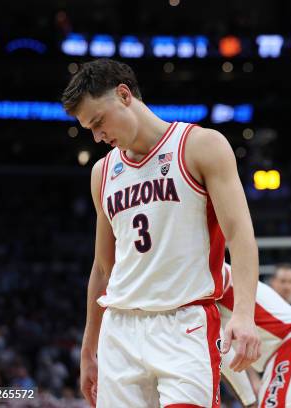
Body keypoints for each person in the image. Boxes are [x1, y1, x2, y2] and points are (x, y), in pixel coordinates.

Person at [61, 58, 261, 407]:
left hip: (184, 323)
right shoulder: (102, 173)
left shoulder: (200, 145)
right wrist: (88, 347)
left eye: (98, 122)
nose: (97, 136)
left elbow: (240, 236)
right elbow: (102, 267)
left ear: (124, 95)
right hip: (119, 330)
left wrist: (244, 314)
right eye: (89, 130)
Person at [219, 263, 291, 407]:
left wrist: (248, 399)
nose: (287, 287)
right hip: (290, 348)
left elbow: (221, 349)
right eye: (283, 281)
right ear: (273, 282)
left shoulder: (210, 274)